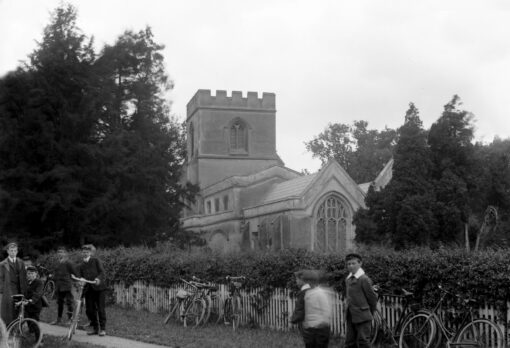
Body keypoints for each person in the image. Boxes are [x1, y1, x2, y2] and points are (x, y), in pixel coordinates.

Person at [344, 253, 378, 348]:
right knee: (350, 342)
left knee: (363, 342)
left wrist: (368, 312)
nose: (351, 266)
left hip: (363, 316)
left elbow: (372, 298)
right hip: (351, 315)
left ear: (360, 264)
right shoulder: (348, 279)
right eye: (348, 264)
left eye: (353, 263)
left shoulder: (364, 279)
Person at [78, 244, 107, 336]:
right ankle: (95, 328)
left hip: (99, 288)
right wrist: (80, 281)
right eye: (83, 252)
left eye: (87, 252)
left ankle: (102, 329)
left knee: (100, 309)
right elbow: (80, 276)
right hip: (88, 289)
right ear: (82, 253)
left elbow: (102, 272)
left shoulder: (95, 260)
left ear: (90, 253)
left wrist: (98, 279)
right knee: (89, 310)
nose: (85, 253)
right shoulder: (81, 264)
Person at [301, 270, 332, 348]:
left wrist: (323, 322)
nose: (307, 283)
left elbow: (326, 310)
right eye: (306, 281)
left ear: (314, 281)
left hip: (321, 328)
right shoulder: (307, 292)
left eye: (309, 281)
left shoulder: (320, 293)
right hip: (310, 328)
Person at [0, 241, 28, 325]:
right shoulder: (2, 264)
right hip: (8, 289)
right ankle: (7, 329)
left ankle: (18, 329)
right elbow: (0, 279)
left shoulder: (21, 262)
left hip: (20, 289)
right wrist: (1, 291)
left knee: (19, 310)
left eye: (15, 250)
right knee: (8, 310)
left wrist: (25, 290)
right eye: (11, 250)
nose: (13, 252)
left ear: (17, 251)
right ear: (8, 251)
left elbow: (24, 277)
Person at [51, 246, 77, 325]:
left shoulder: (69, 262)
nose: (60, 254)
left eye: (62, 252)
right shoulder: (57, 262)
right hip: (59, 286)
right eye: (59, 252)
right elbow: (56, 273)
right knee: (59, 302)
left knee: (69, 302)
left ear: (65, 253)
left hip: (67, 285)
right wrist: (52, 277)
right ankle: (58, 319)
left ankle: (70, 319)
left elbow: (74, 273)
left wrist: (75, 282)